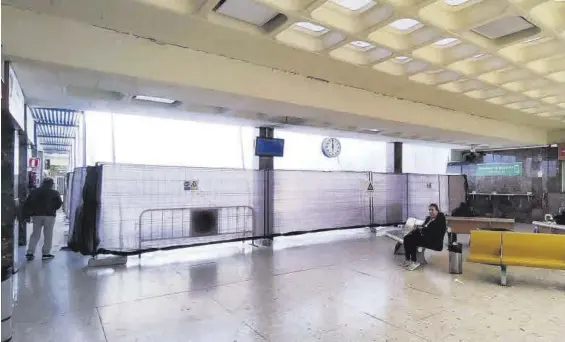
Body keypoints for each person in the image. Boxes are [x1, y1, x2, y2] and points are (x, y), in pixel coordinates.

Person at [23, 177, 62, 260]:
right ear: (51, 184)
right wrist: (53, 209)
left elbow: (28, 203)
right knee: (48, 234)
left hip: (37, 215)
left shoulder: (35, 191)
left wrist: (28, 214)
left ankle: (30, 252)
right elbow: (59, 203)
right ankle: (46, 253)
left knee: (35, 234)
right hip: (50, 216)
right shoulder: (55, 193)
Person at [402, 203, 447, 271]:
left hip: (434, 241)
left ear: (437, 211)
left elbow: (434, 232)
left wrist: (421, 230)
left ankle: (414, 260)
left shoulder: (440, 219)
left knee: (413, 238)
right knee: (407, 238)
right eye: (429, 210)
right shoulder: (428, 218)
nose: (430, 211)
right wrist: (420, 229)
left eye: (432, 210)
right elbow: (424, 228)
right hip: (426, 238)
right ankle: (408, 259)